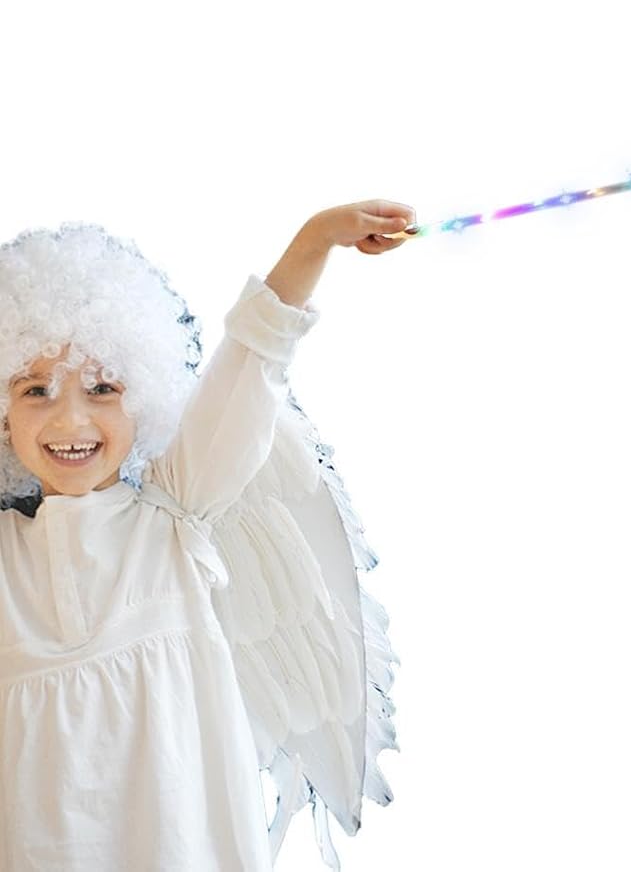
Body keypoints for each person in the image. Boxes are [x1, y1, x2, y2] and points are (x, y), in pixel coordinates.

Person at [0, 200, 413, 871]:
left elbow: (252, 363)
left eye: (102, 388)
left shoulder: (174, 521)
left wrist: (314, 241)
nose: (71, 419)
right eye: (35, 391)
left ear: (145, 399)